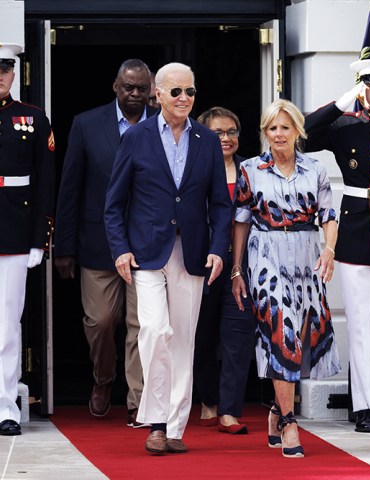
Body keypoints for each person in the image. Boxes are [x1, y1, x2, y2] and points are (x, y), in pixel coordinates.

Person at [104, 62, 232, 454]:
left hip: (191, 253)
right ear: (157, 94)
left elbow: (221, 205)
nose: (184, 99)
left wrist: (217, 249)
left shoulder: (207, 141)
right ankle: (155, 418)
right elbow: (114, 204)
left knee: (183, 341)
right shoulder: (137, 137)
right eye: (176, 91)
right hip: (146, 251)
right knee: (155, 330)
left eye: (190, 92)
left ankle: (171, 427)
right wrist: (120, 248)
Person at [232, 99, 340, 458]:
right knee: (283, 332)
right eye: (272, 128)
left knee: (305, 334)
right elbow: (241, 222)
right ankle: (290, 421)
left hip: (307, 255)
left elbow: (328, 213)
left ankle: (276, 409)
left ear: (297, 131)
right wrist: (237, 270)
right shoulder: (251, 169)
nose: (278, 134)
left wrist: (329, 249)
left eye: (285, 127)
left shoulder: (315, 168)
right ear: (265, 132)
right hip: (267, 256)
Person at [54, 58, 158, 426]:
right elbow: (70, 188)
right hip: (97, 243)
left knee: (140, 324)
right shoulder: (86, 124)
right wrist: (63, 246)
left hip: (148, 245)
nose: (134, 94)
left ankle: (138, 401)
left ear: (151, 90)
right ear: (115, 86)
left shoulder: (163, 125)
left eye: (141, 89)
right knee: (100, 321)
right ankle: (102, 379)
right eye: (128, 87)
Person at [304, 55, 370, 433]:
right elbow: (303, 133)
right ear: (362, 88)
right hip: (356, 228)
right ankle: (366, 407)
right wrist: (341, 101)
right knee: (360, 323)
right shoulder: (344, 124)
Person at [0, 43, 55, 436]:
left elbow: (45, 182)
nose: (0, 75)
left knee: (6, 325)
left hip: (14, 233)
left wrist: (40, 238)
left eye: (5, 68)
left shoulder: (32, 118)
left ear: (14, 73)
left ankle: (5, 407)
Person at [193, 107, 255, 434]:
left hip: (241, 267)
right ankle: (208, 402)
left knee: (237, 337)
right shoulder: (193, 169)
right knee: (201, 336)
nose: (226, 138)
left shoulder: (253, 170)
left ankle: (230, 411)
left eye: (232, 132)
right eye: (218, 133)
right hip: (202, 264)